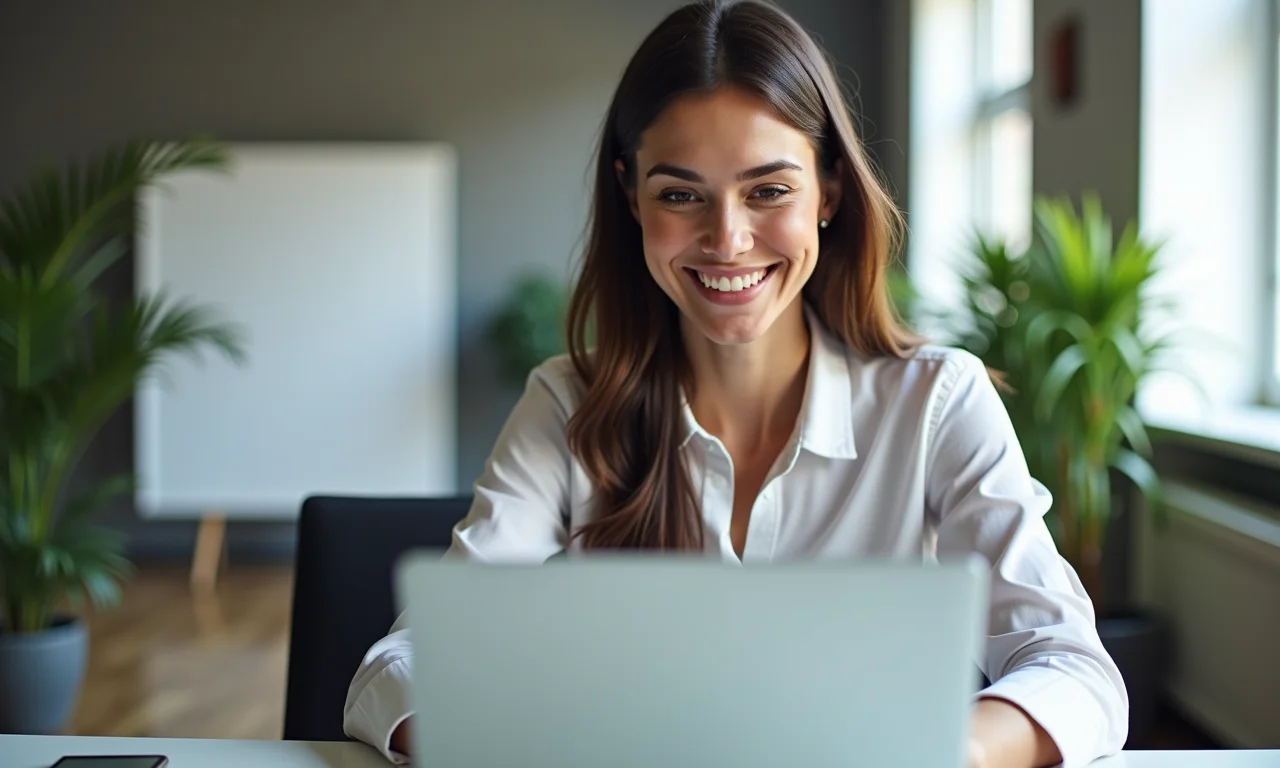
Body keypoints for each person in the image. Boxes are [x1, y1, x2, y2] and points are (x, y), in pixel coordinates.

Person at [344, 1, 1128, 766]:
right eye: (680, 194)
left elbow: (1075, 670)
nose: (727, 240)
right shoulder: (568, 406)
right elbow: (401, 666)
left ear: (829, 190)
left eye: (768, 190)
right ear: (631, 194)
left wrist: (946, 749)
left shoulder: (936, 401)